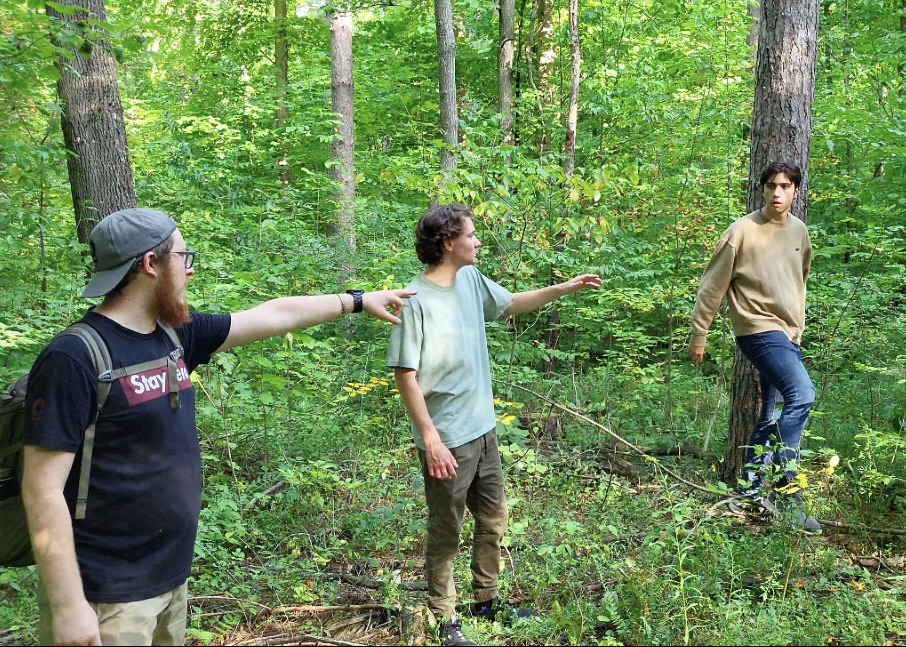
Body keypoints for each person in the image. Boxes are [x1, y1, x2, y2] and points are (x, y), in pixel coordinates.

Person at [21, 207, 415, 646]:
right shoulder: (74, 358)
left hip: (169, 581)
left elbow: (273, 315)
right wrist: (68, 606)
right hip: (105, 596)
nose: (189, 269)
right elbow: (41, 488)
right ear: (152, 265)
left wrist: (357, 301)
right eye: (183, 256)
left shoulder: (172, 337)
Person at [386, 203, 601, 646]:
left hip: (483, 430)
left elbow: (509, 305)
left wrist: (566, 287)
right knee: (446, 529)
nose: (478, 241)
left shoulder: (469, 280)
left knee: (494, 518)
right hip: (448, 438)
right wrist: (431, 440)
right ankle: (445, 620)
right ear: (448, 242)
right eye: (471, 234)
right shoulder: (415, 301)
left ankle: (485, 600)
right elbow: (405, 375)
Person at [687, 161, 821, 534]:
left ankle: (749, 491)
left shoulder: (799, 232)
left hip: (787, 335)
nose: (777, 193)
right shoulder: (741, 232)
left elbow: (800, 280)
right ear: (762, 189)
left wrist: (796, 328)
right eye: (771, 186)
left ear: (796, 191)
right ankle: (785, 488)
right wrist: (700, 333)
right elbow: (712, 286)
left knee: (770, 413)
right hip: (757, 331)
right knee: (803, 395)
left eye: (785, 186)